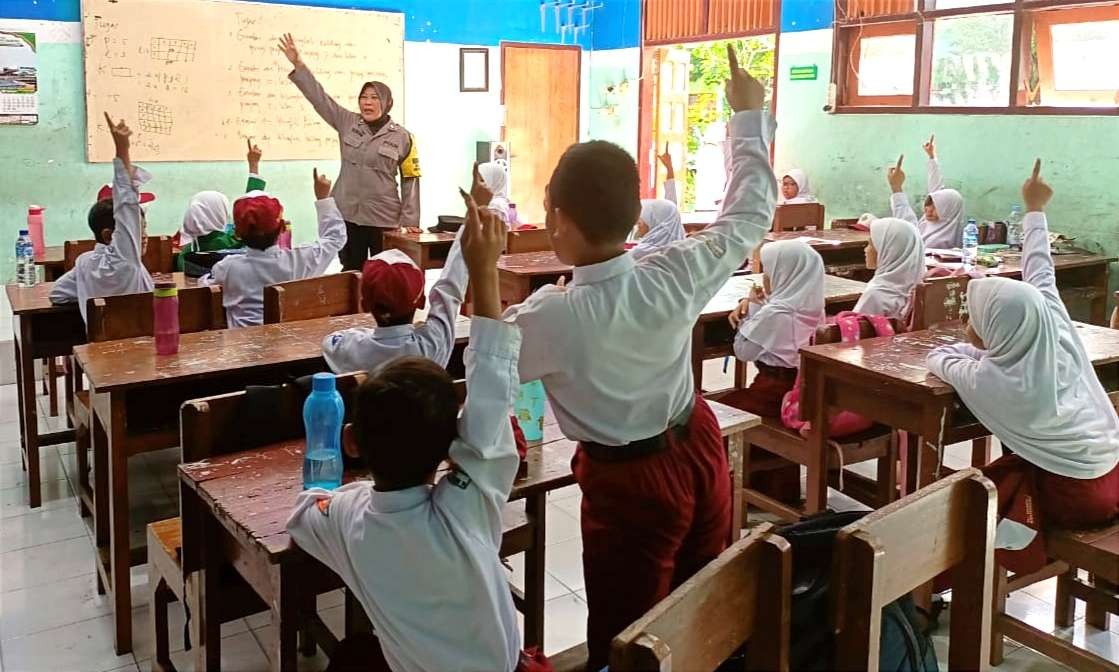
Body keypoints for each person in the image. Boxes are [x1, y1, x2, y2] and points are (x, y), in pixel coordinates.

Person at [502, 46, 776, 671]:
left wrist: (473, 261)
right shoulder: (673, 270)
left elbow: (481, 362)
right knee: (705, 613)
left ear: (560, 222)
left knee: (628, 640)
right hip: (701, 448)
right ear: (634, 214)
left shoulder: (553, 317)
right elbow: (749, 215)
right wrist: (748, 119)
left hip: (630, 485)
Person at [287, 193, 551, 672]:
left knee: (352, 656)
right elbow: (490, 391)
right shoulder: (470, 505)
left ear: (353, 441)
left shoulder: (350, 517)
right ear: (451, 445)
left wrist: (328, 465)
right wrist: (481, 265)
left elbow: (305, 513)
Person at [927, 160, 1119, 575]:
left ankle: (945, 584)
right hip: (1112, 476)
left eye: (973, 317)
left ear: (996, 328)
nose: (966, 323)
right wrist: (1035, 209)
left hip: (1076, 496)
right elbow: (1041, 273)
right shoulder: (1056, 327)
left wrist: (971, 353)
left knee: (967, 498)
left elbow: (938, 360)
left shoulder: (995, 381)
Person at [279, 33, 420, 271]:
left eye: (374, 98)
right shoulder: (347, 122)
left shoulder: (403, 137)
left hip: (383, 219)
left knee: (384, 272)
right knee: (351, 270)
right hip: (347, 214)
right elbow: (320, 99)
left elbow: (411, 179)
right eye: (363, 97)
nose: (367, 102)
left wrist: (410, 221)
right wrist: (298, 64)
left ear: (386, 103)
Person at [205, 169, 346, 328]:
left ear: (237, 233)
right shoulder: (300, 260)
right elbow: (335, 238)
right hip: (290, 345)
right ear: (283, 228)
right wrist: (323, 198)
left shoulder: (228, 268)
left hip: (243, 347)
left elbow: (205, 285)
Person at [50, 113, 154, 323]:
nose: (143, 236)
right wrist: (122, 149)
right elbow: (126, 202)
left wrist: (86, 295)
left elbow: (58, 294)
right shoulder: (126, 260)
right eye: (138, 229)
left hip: (98, 352)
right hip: (139, 350)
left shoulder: (84, 263)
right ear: (109, 236)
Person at [321, 237, 466, 374]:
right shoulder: (431, 344)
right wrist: (469, 227)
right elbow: (449, 290)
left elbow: (330, 341)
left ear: (364, 306)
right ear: (421, 302)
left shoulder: (347, 348)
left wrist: (363, 333)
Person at [724, 240, 825, 417]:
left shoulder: (775, 313)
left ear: (783, 274)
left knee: (715, 412)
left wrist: (753, 307)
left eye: (768, 270)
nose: (764, 277)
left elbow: (743, 352)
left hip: (772, 395)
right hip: (804, 393)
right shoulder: (814, 306)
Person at [175, 140, 267, 271]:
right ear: (217, 214)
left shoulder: (186, 251)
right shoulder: (229, 243)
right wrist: (254, 165)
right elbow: (251, 209)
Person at [888, 137, 965, 249]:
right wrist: (932, 157)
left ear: (947, 211)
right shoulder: (934, 223)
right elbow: (936, 189)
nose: (928, 210)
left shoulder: (938, 241)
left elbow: (907, 228)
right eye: (928, 205)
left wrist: (896, 187)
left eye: (935, 207)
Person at [853, 216, 925, 322]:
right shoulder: (920, 286)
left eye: (871, 244)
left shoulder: (875, 295)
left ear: (890, 250)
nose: (865, 249)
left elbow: (856, 330)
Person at [630, 146, 685, 261]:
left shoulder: (640, 253)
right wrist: (669, 168)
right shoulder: (682, 247)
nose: (637, 227)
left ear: (656, 223)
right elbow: (670, 203)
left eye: (640, 223)